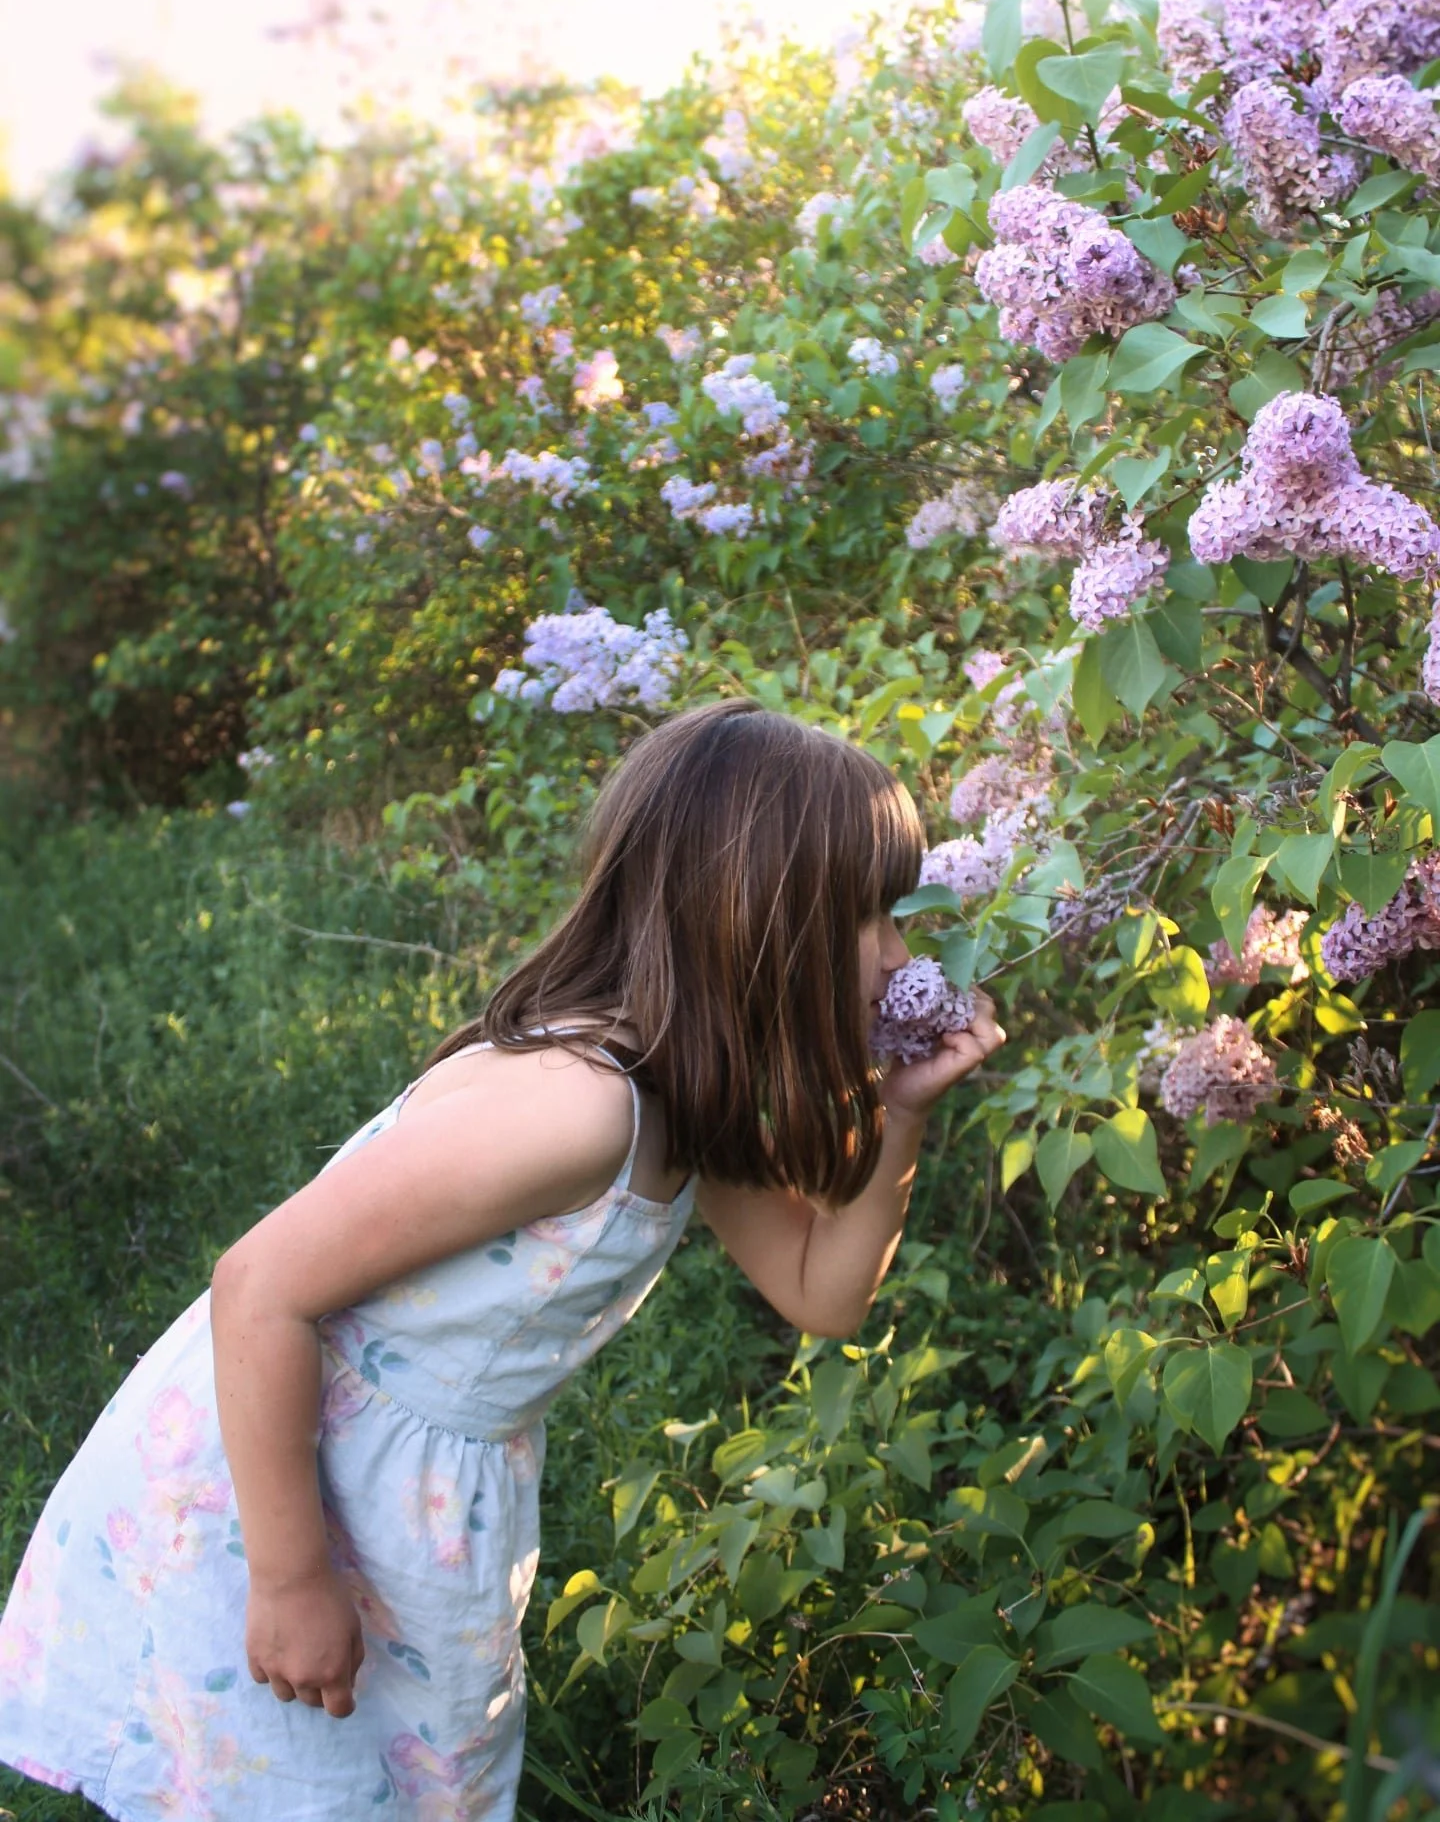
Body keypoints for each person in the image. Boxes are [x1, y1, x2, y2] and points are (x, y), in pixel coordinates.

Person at [0, 699, 1004, 1822]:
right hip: (282, 1485)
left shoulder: (683, 1091)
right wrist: (288, 1577)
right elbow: (260, 1286)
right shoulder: (577, 1109)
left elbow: (821, 1294)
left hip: (408, 1502)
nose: (901, 956)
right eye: (872, 918)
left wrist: (899, 1114)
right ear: (754, 919)